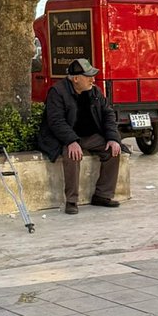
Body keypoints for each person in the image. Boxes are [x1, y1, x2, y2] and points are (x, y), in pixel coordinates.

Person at [36, 58, 122, 215]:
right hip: (64, 138)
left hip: (90, 136)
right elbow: (56, 122)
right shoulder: (58, 92)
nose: (92, 79)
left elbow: (108, 114)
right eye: (88, 76)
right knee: (72, 155)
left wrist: (112, 138)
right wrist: (71, 141)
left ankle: (103, 195)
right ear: (76, 79)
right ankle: (71, 200)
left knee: (113, 151)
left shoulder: (94, 91)